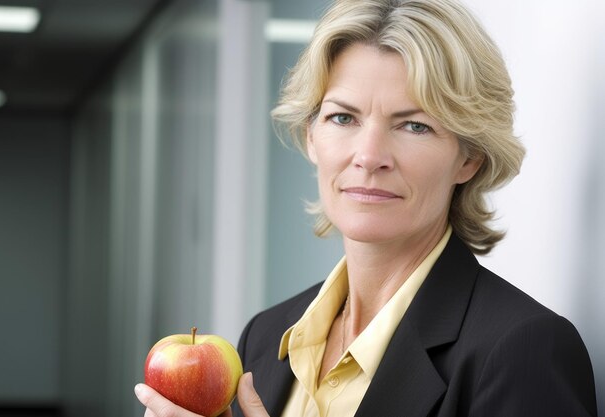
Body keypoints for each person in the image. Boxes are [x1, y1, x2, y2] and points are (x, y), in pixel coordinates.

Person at [135, 0, 598, 415]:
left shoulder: (523, 350)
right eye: (343, 117)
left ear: (469, 157)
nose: (369, 155)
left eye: (414, 126)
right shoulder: (266, 336)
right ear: (311, 136)